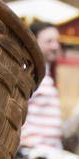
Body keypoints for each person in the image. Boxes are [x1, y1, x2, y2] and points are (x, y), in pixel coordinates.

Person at [19, 20, 63, 151]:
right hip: (32, 150)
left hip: (47, 151)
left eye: (57, 41)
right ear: (34, 44)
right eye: (49, 41)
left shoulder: (45, 75)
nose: (55, 46)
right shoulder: (29, 74)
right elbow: (17, 109)